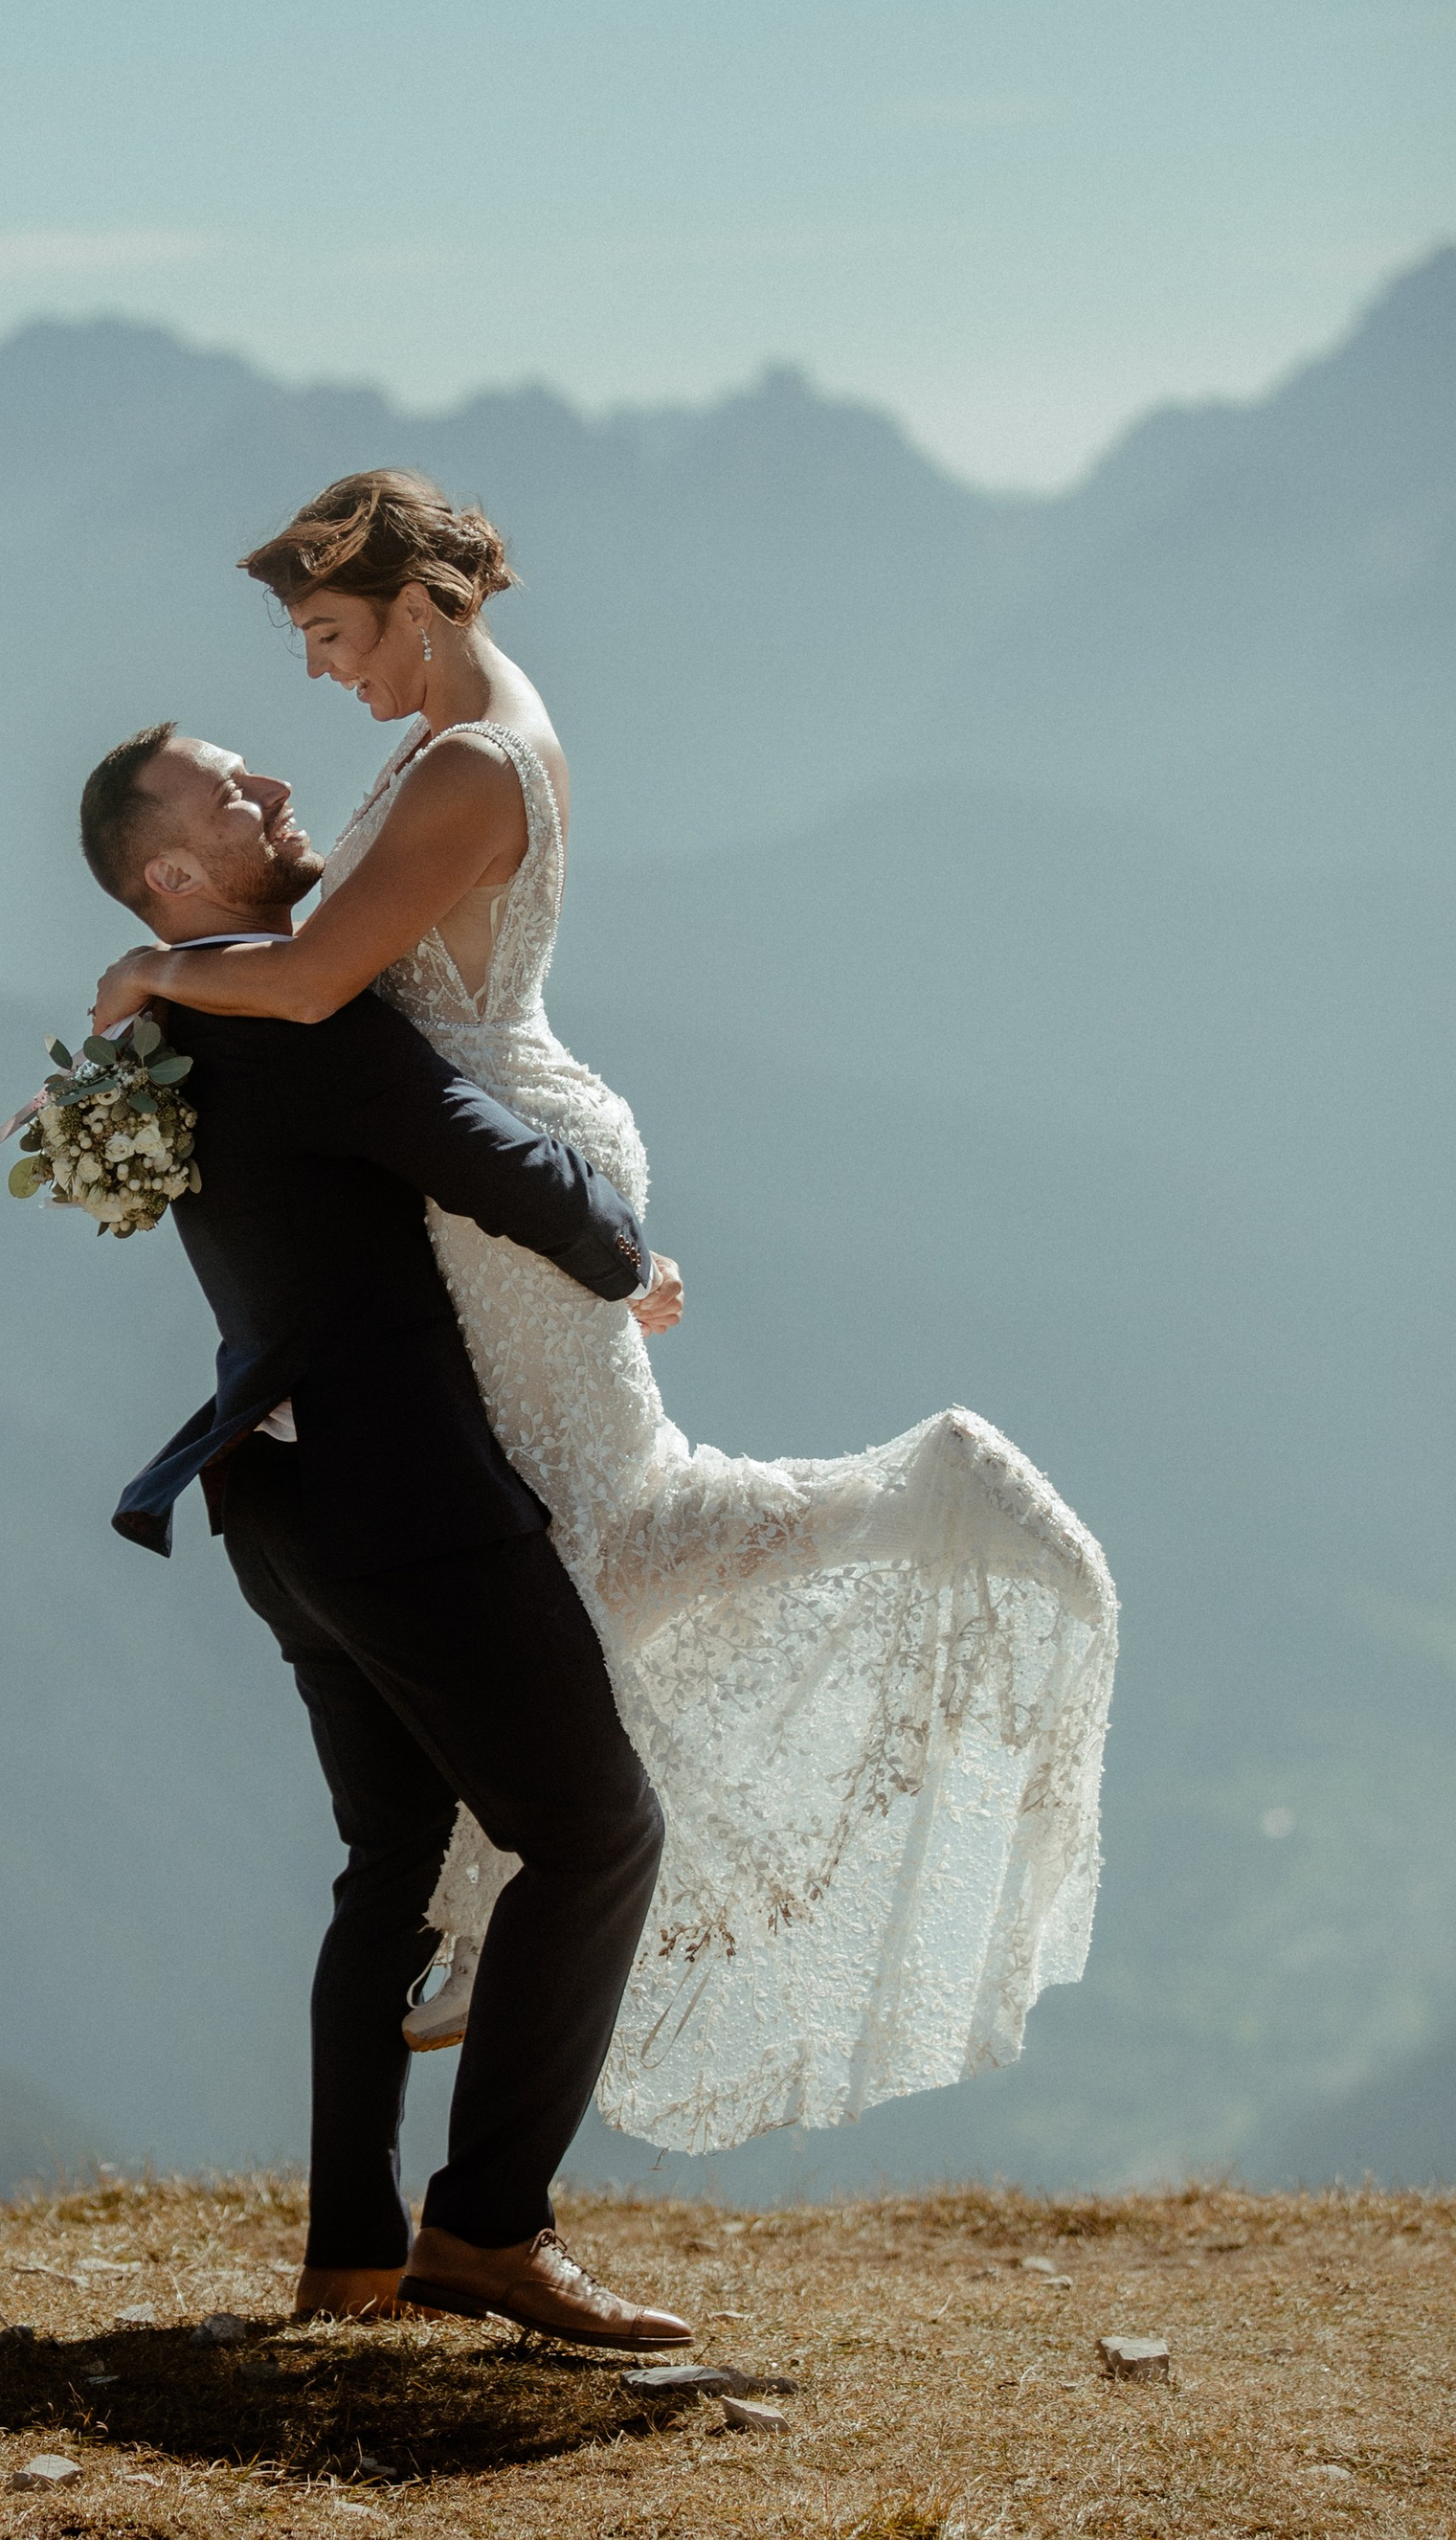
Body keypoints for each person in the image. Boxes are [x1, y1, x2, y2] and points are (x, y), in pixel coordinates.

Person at [88, 473, 1116, 2158]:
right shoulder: (462, 735)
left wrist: (153, 976)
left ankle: (921, 1498)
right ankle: (505, 1901)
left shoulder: (471, 760)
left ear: (415, 601)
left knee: (592, 1525)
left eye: (334, 636)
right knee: (555, 1527)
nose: (322, 676)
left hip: (495, 1160)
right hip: (496, 1151)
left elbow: (307, 980)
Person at [81, 722, 694, 2346]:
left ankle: (348, 2252)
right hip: (398, 1494)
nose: (274, 790)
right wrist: (625, 1252)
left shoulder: (177, 1023)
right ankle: (488, 2230)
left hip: (272, 1498)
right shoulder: (291, 1012)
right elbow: (479, 1153)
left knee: (393, 1864)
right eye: (233, 793)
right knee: (596, 1833)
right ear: (172, 872)